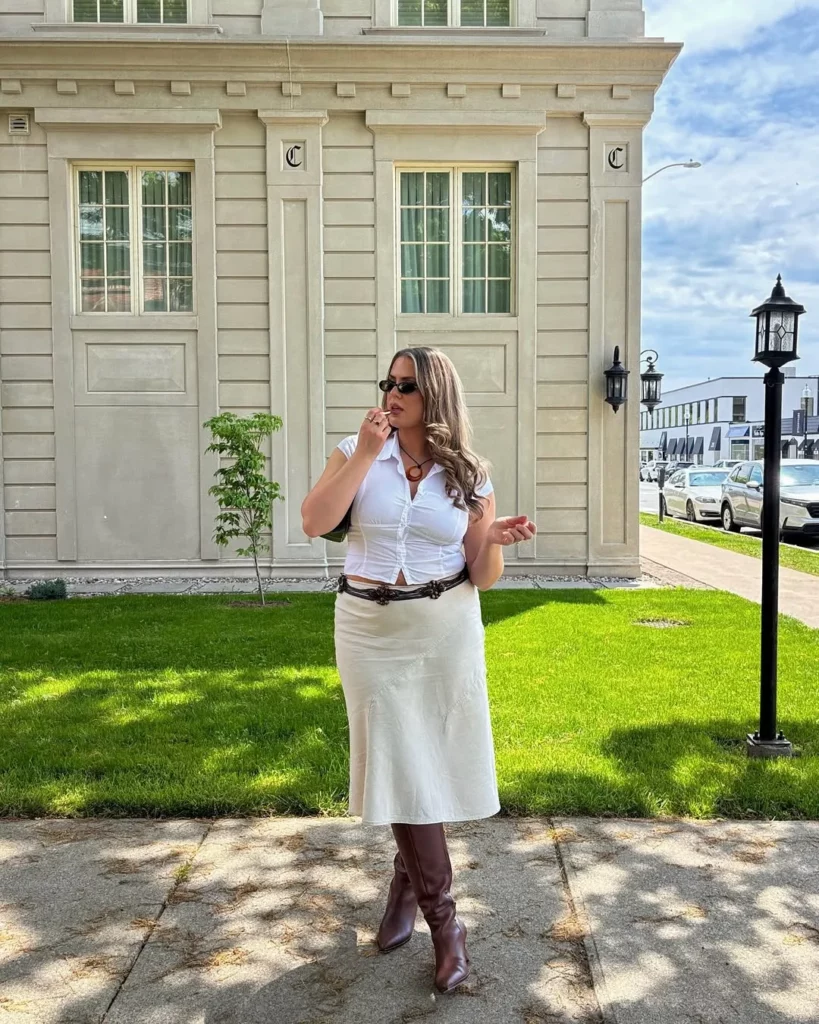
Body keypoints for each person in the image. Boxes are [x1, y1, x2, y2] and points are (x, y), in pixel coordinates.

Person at [301, 346, 536, 993]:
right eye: (388, 382)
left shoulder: (469, 473)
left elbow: (480, 576)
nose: (392, 392)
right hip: (369, 629)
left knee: (421, 760)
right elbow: (315, 520)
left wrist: (490, 541)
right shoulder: (355, 449)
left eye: (407, 385)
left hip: (444, 628)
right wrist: (365, 456)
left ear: (435, 395)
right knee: (400, 758)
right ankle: (448, 926)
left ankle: (407, 896)